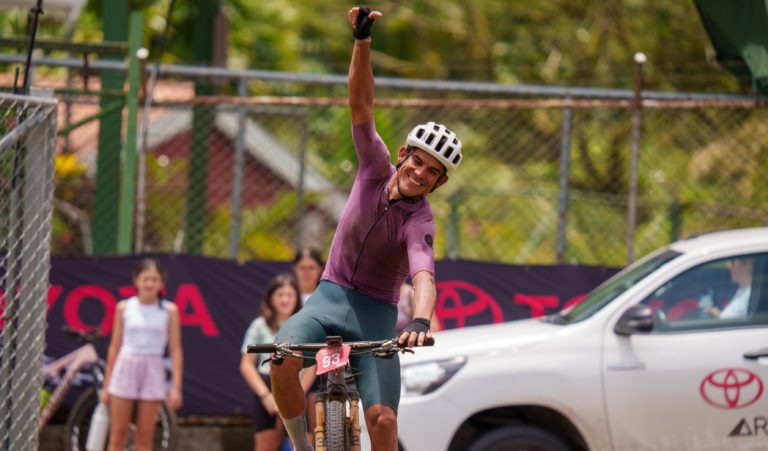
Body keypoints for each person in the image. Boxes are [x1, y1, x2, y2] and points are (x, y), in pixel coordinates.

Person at [269, 6, 463, 451]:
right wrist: (361, 43)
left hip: (377, 313)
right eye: (417, 161)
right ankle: (301, 444)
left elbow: (424, 275)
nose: (420, 173)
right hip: (329, 297)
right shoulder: (373, 166)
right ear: (401, 155)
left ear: (439, 182)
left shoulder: (420, 221)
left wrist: (419, 318)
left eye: (433, 172)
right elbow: (361, 104)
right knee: (280, 360)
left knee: (382, 421)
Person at [101, 259, 183, 451]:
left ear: (162, 283)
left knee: (145, 436)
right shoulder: (124, 307)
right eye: (145, 279)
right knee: (118, 433)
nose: (150, 284)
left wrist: (176, 387)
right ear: (136, 280)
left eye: (155, 279)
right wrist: (107, 385)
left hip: (153, 370)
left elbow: (176, 349)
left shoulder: (170, 311)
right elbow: (114, 347)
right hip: (125, 368)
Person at [240, 273, 314, 451]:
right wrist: (266, 396)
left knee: (305, 444)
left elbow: (313, 364)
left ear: (297, 298)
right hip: (268, 391)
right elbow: (246, 365)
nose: (285, 299)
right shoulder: (259, 325)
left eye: (290, 295)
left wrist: (295, 396)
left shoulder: (306, 325)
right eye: (280, 294)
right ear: (271, 298)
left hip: (300, 389)